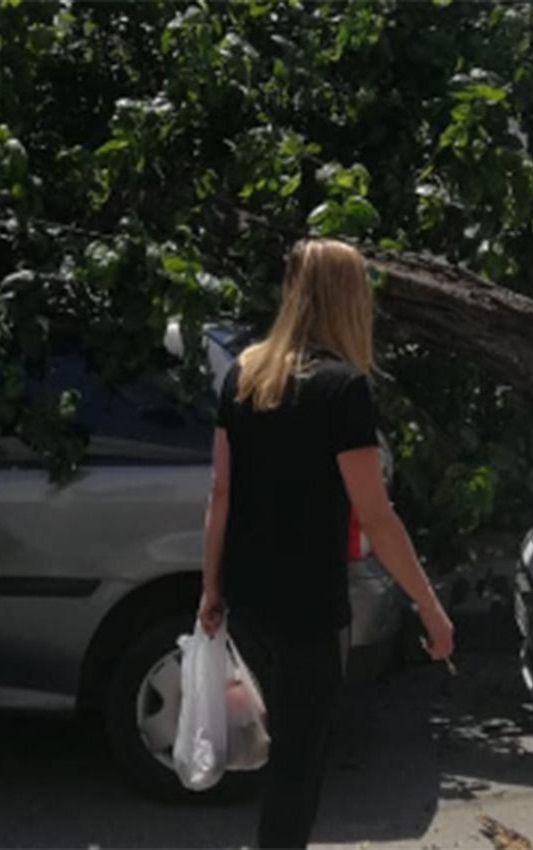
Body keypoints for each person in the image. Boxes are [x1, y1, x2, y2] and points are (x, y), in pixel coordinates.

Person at [198, 238, 455, 849]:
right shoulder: (342, 390)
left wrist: (211, 589)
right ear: (349, 299)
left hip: (248, 597)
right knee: (297, 766)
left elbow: (221, 493)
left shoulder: (244, 375)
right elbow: (376, 516)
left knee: (277, 760)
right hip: (308, 608)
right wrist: (429, 606)